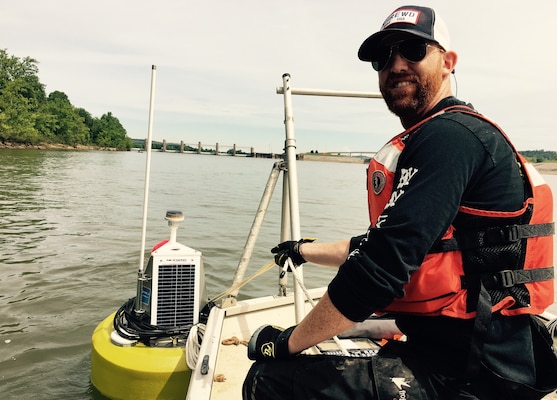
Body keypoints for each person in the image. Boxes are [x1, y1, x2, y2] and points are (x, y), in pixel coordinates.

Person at [243, 5, 557, 400]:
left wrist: (288, 341)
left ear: (448, 62)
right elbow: (394, 245)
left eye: (412, 49)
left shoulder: (449, 137)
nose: (396, 64)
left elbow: (380, 266)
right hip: (478, 355)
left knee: (267, 380)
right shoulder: (449, 134)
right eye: (383, 57)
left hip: (470, 373)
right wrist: (302, 251)